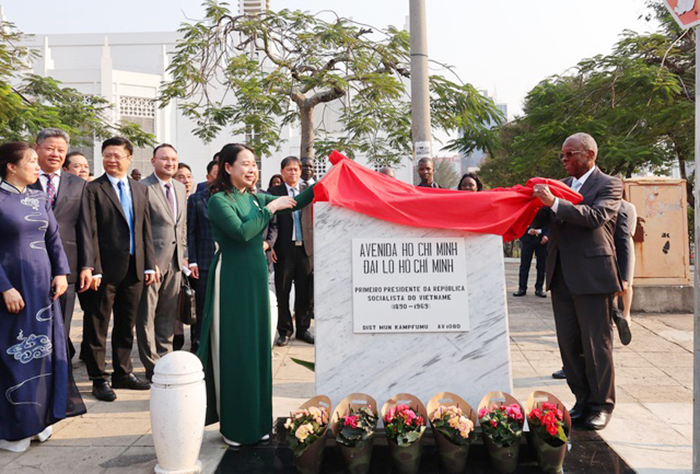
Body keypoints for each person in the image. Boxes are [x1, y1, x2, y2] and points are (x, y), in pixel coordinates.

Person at [196, 143, 312, 446]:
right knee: (236, 351)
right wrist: (270, 207)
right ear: (227, 168)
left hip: (256, 278)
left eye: (254, 164)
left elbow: (295, 201)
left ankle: (258, 421)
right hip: (232, 280)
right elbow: (242, 232)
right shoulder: (219, 200)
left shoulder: (254, 198)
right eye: (245, 163)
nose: (251, 169)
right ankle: (236, 426)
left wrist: (331, 179)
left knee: (259, 349)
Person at [532, 132, 622, 431]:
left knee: (595, 344)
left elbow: (595, 216)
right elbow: (545, 219)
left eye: (570, 154)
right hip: (560, 276)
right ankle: (582, 400)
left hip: (593, 278)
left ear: (590, 155)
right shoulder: (563, 187)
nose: (565, 159)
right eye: (563, 155)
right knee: (569, 345)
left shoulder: (609, 184)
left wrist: (555, 203)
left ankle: (601, 404)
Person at [0, 142, 85, 452]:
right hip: (12, 291)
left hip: (43, 292)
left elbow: (53, 239)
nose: (38, 166)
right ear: (11, 166)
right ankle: (15, 428)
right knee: (13, 357)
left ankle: (40, 420)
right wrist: (4, 287)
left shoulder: (39, 198)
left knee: (44, 355)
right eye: (31, 161)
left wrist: (62, 273)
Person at [82, 137, 156, 402]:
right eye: (107, 155)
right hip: (105, 271)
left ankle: (123, 372)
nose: (111, 160)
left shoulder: (139, 189)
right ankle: (98, 378)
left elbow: (145, 228)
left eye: (116, 155)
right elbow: (88, 231)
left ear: (128, 158)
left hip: (135, 268)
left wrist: (149, 264)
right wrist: (94, 267)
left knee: (126, 324)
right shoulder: (93, 189)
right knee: (98, 324)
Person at [30, 129, 95, 360]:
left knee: (62, 327)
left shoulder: (78, 184)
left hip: (67, 266)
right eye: (49, 148)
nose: (55, 154)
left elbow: (86, 228)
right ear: (36, 148)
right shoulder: (23, 180)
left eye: (61, 150)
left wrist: (87, 265)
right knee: (32, 327)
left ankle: (61, 378)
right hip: (30, 265)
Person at [136, 144, 188, 381]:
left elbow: (181, 225)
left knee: (168, 315)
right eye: (164, 159)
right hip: (152, 263)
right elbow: (140, 228)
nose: (170, 163)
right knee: (147, 315)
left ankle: (165, 358)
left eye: (174, 159)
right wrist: (148, 261)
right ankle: (151, 365)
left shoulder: (179, 187)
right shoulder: (142, 187)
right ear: (153, 160)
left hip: (175, 262)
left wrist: (184, 254)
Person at [268, 156, 315, 346]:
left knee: (305, 292)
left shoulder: (309, 191)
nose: (293, 173)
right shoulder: (274, 192)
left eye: (296, 169)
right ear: (282, 172)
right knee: (283, 291)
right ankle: (285, 330)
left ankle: (303, 329)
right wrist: (270, 246)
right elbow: (270, 222)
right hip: (283, 249)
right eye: (289, 169)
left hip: (305, 248)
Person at [187, 161, 217, 353]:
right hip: (204, 261)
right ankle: (198, 343)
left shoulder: (230, 198)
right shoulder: (196, 199)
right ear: (208, 177)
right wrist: (193, 260)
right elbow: (190, 232)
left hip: (225, 262)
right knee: (202, 305)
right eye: (216, 173)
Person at [613, 196, 637, 345]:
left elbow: (629, 231)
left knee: (626, 282)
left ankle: (626, 314)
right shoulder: (605, 203)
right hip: (609, 247)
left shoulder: (629, 207)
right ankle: (617, 316)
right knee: (612, 284)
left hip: (625, 246)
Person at [513, 207, 550, 298]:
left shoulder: (546, 205)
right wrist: (528, 230)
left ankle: (539, 288)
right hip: (527, 239)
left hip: (542, 240)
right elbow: (520, 220)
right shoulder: (527, 205)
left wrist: (546, 234)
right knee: (524, 265)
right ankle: (522, 288)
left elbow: (550, 222)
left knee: (541, 266)